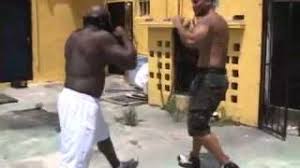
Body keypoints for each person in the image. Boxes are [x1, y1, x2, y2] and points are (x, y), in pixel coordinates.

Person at [57, 5, 138, 168]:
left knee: (102, 135)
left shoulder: (74, 36)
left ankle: (117, 165)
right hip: (82, 105)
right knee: (75, 161)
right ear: (103, 21)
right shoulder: (101, 37)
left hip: (68, 97)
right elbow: (130, 61)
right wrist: (124, 36)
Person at [172, 0, 240, 168]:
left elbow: (191, 40)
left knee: (197, 125)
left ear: (209, 1)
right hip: (204, 76)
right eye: (192, 2)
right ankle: (195, 158)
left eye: (197, 1)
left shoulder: (210, 20)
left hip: (211, 78)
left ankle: (226, 163)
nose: (194, 5)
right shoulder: (208, 21)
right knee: (198, 120)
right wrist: (186, 29)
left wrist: (178, 25)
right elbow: (194, 44)